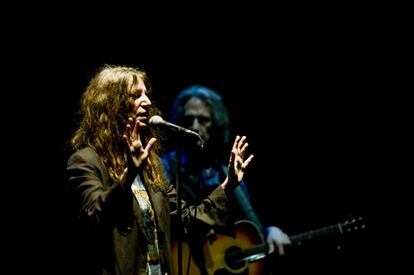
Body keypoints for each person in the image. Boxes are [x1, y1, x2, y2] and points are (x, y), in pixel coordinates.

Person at [65, 65, 254, 275]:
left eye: (146, 94)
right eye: (136, 95)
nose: (146, 102)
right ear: (112, 105)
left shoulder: (151, 165)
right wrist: (128, 176)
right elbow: (94, 218)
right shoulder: (85, 161)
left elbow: (186, 220)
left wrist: (228, 186)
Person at [161, 85, 291, 274]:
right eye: (188, 120)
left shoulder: (225, 171)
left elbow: (249, 219)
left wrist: (269, 231)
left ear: (216, 124)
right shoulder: (166, 168)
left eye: (202, 120)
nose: (194, 126)